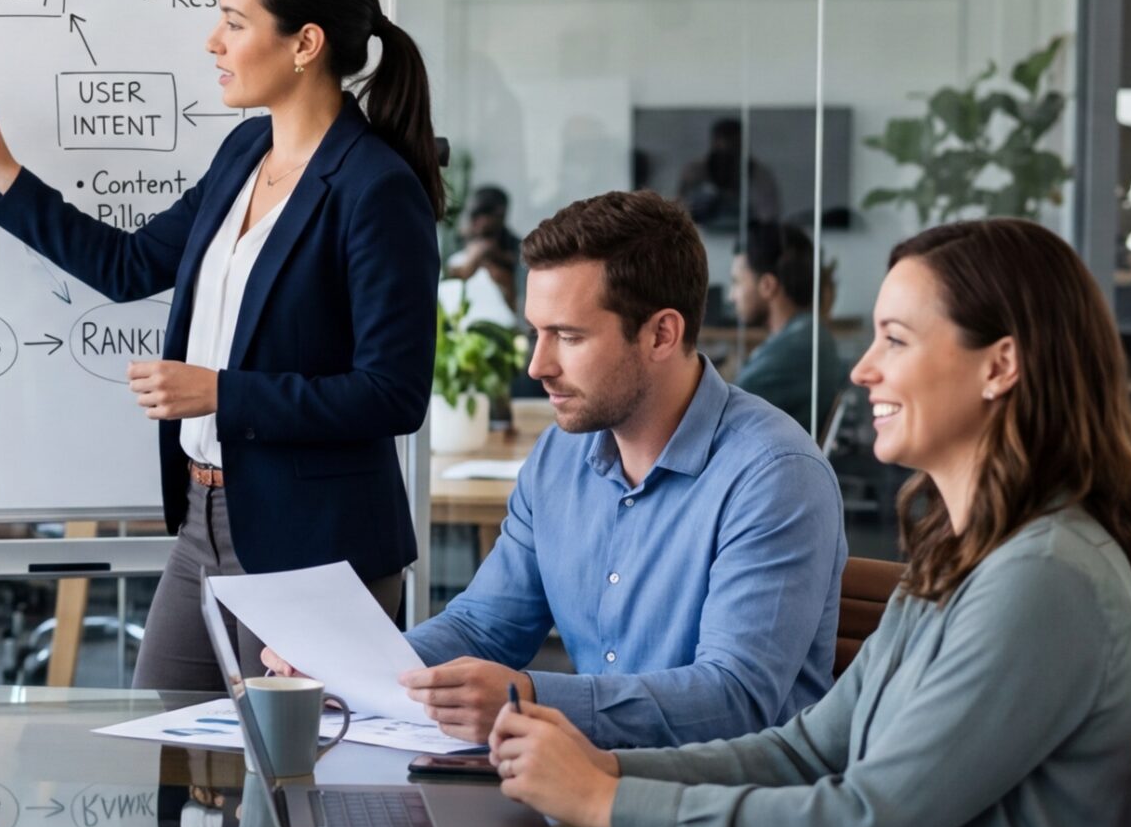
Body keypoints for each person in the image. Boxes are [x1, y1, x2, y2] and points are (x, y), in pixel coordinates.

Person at [479, 217, 1131, 827]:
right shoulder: (969, 556)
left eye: (895, 339)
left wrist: (610, 801)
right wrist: (604, 767)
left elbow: (861, 824)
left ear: (1000, 364)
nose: (863, 367)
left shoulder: (1045, 580)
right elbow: (805, 750)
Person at [0, 0, 441, 701]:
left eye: (235, 22)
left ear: (305, 42)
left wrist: (221, 393)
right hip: (205, 513)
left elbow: (393, 392)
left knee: (294, 791)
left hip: (316, 540)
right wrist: (2, 171)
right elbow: (131, 265)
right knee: (167, 757)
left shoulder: (375, 188)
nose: (214, 41)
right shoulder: (242, 154)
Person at [270, 191, 844, 754]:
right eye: (536, 332)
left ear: (661, 334)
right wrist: (353, 666)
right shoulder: (559, 457)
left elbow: (735, 699)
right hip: (581, 789)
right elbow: (484, 628)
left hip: (720, 816)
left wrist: (529, 698)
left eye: (568, 337)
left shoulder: (775, 476)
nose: (537, 365)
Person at [731, 222, 846, 438]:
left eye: (736, 282)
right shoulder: (806, 334)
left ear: (767, 285)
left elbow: (724, 414)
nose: (732, 296)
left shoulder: (797, 346)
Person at [446, 184, 522, 312]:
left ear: (500, 215)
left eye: (480, 214)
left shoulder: (517, 250)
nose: (474, 221)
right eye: (473, 215)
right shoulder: (458, 245)